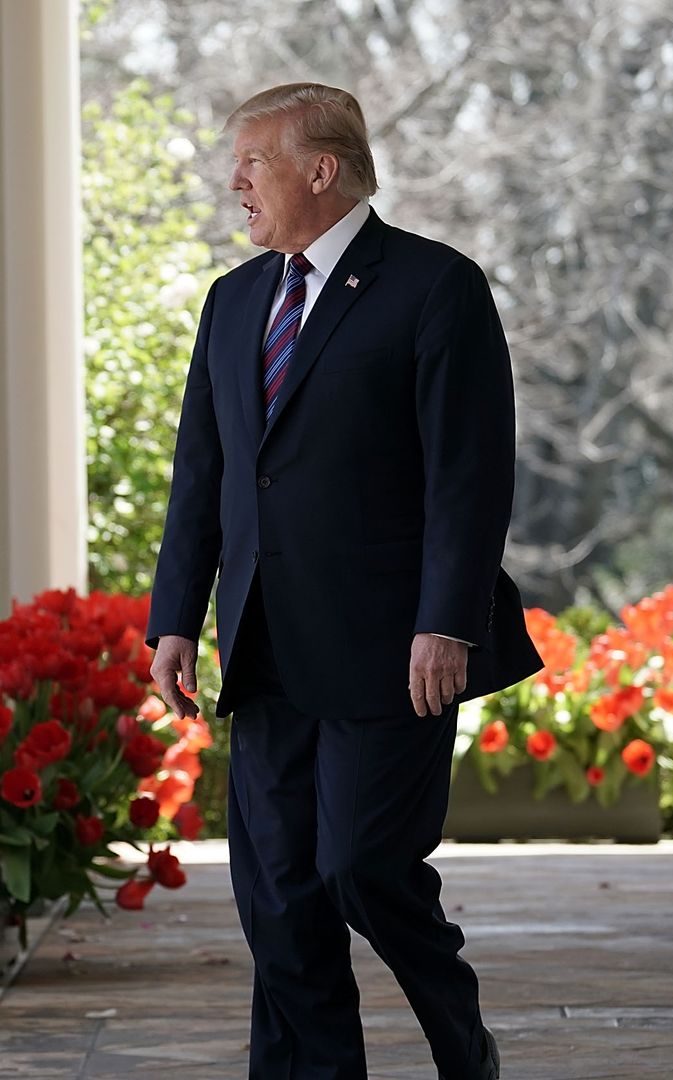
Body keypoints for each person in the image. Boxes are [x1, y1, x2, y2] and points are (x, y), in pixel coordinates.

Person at [143, 82, 543, 1079]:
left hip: (393, 647)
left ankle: (462, 1041)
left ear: (322, 170)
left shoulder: (435, 286)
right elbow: (205, 473)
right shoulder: (235, 301)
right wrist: (174, 618)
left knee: (360, 866)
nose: (235, 183)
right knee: (278, 896)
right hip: (267, 641)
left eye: (254, 163)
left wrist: (448, 621)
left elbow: (469, 475)